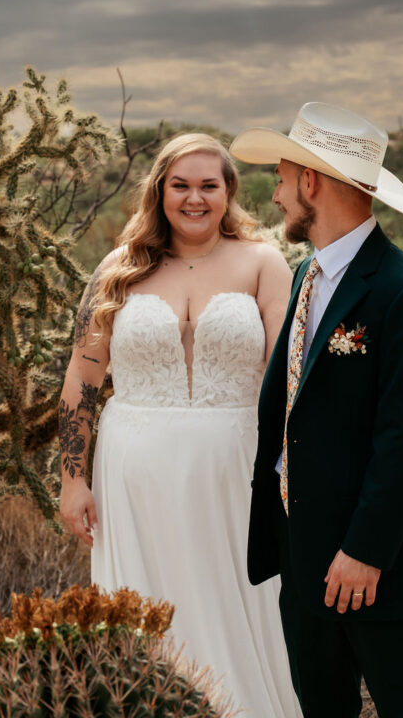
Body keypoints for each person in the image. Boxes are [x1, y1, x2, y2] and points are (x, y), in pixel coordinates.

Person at [58, 132, 303, 718]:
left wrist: (294, 469)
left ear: (228, 192)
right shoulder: (119, 269)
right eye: (181, 185)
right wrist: (72, 480)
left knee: (243, 600)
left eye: (208, 186)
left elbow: (290, 376)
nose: (195, 199)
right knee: (147, 608)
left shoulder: (263, 261)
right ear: (160, 191)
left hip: (238, 468)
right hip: (134, 475)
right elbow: (82, 380)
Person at [231, 102, 403, 718]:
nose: (275, 195)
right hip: (301, 560)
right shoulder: (307, 274)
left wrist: (365, 551)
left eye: (280, 177)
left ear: (310, 182)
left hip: (371, 570)